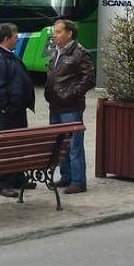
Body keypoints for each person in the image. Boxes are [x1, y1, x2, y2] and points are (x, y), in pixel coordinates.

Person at [0, 22, 36, 198]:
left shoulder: (8, 56)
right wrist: (5, 107)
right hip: (8, 112)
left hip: (17, 110)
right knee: (6, 147)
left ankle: (17, 177)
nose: (17, 39)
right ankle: (4, 182)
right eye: (15, 36)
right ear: (6, 39)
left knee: (18, 145)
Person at [44, 18, 95, 194]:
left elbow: (88, 79)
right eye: (55, 31)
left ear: (69, 33)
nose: (54, 35)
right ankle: (66, 176)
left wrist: (70, 94)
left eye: (58, 32)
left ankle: (78, 181)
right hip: (55, 105)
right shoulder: (56, 51)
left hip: (71, 107)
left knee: (74, 144)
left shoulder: (80, 53)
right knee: (60, 144)